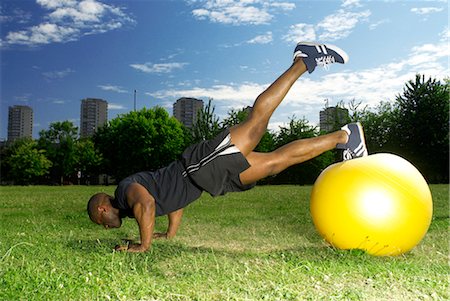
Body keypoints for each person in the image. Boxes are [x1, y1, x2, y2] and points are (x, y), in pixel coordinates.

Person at [87, 42, 368, 253]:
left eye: (102, 222)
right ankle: (344, 137)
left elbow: (147, 203)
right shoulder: (129, 203)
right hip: (207, 179)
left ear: (102, 209)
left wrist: (143, 246)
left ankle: (304, 60)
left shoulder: (124, 191)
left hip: (201, 165)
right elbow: (171, 200)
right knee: (274, 163)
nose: (106, 226)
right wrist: (170, 234)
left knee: (257, 122)